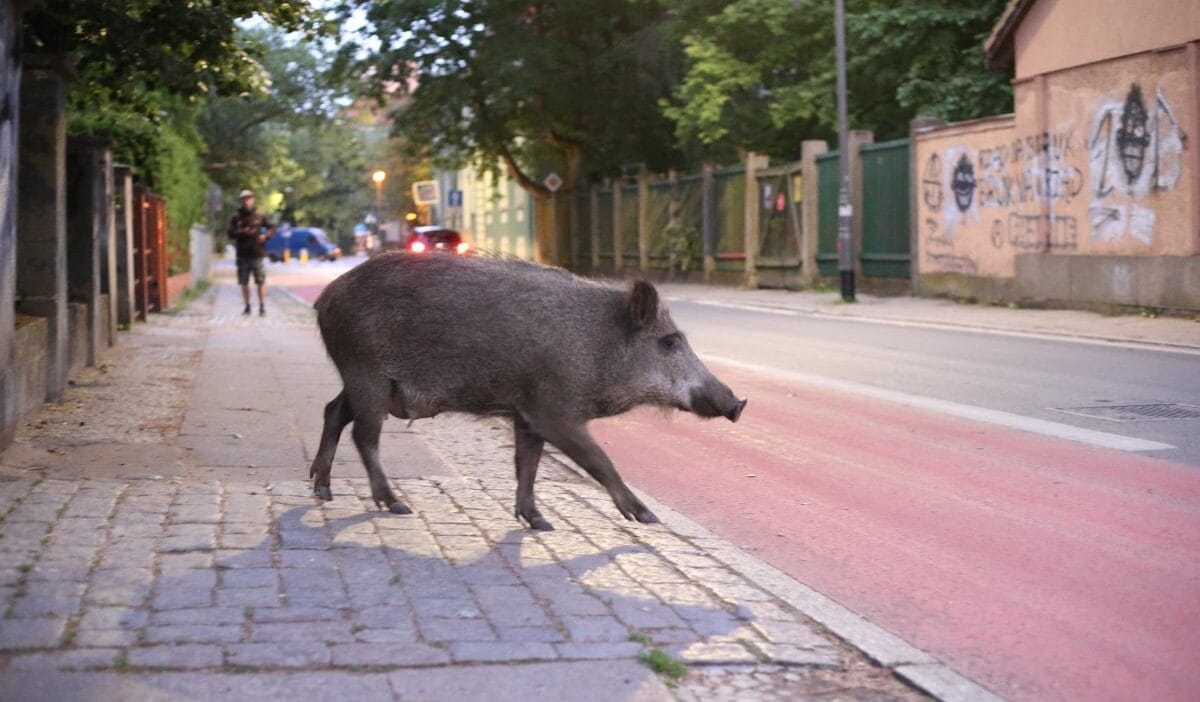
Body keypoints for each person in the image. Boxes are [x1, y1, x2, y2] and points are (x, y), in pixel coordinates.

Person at [227, 189, 274, 316]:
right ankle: (247, 306)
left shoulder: (259, 216)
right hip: (242, 254)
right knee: (244, 282)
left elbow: (272, 228)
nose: (247, 201)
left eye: (249, 198)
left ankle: (262, 306)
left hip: (257, 253)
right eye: (244, 199)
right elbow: (230, 233)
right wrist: (243, 232)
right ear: (242, 201)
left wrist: (265, 236)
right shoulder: (236, 218)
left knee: (260, 281)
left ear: (253, 200)